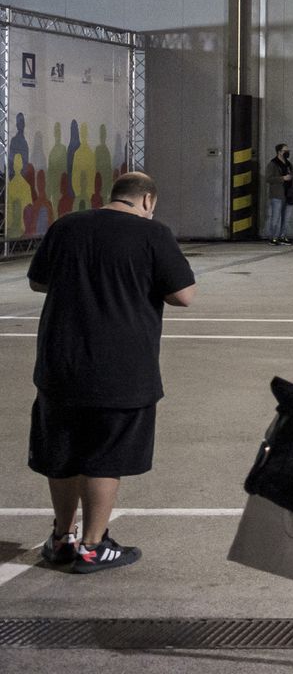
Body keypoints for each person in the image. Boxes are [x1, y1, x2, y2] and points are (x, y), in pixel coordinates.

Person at [29, 172, 197, 574]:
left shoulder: (66, 225)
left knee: (63, 452)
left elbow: (38, 282)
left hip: (61, 360)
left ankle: (61, 538)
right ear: (147, 200)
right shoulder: (153, 234)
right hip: (121, 365)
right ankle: (93, 546)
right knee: (106, 454)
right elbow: (184, 295)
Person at [264, 143, 293, 245]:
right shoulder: (273, 164)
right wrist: (282, 178)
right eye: (285, 150)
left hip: (289, 194)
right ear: (279, 152)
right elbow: (268, 178)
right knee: (276, 218)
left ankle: (283, 236)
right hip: (277, 195)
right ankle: (274, 237)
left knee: (286, 218)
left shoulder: (288, 164)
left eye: (288, 150)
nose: (287, 152)